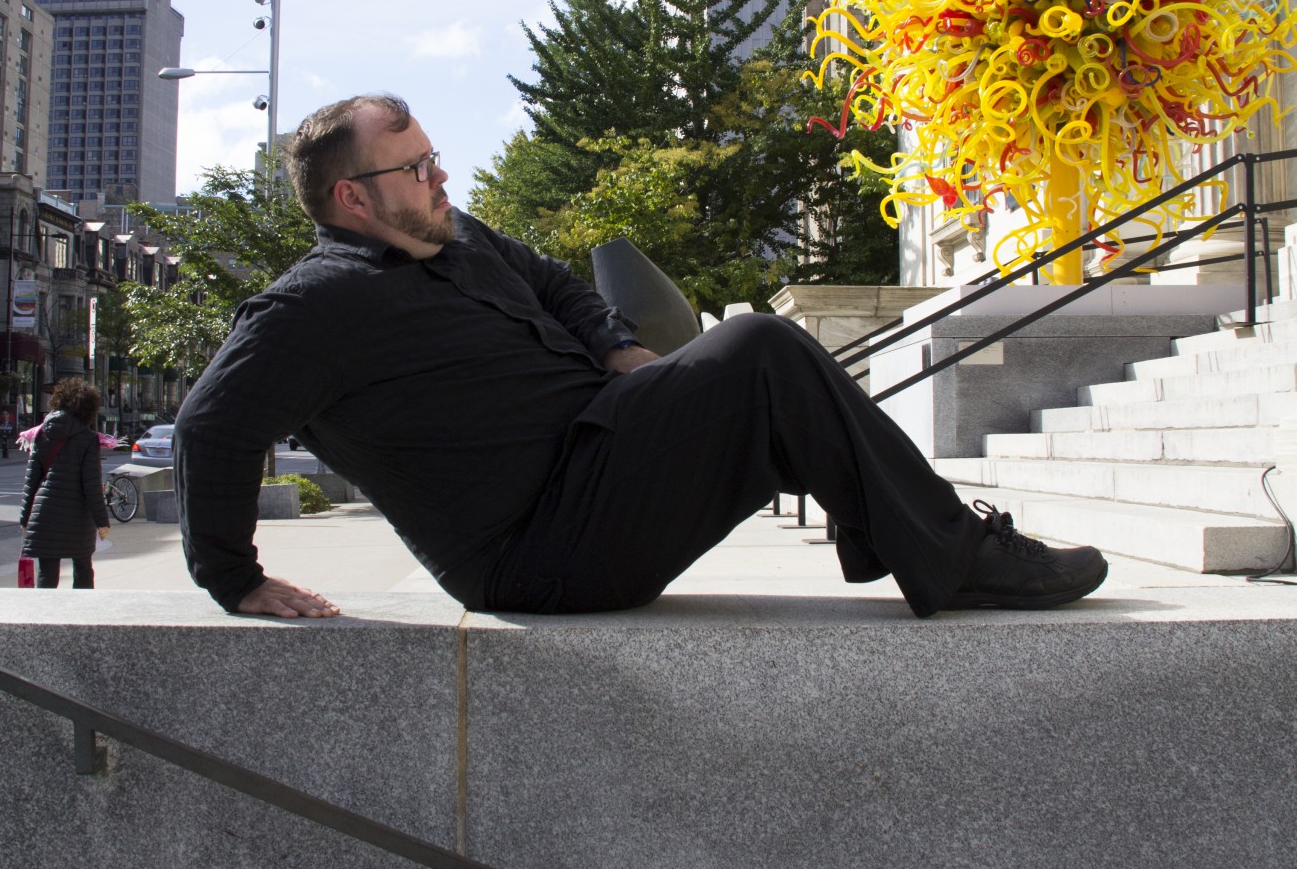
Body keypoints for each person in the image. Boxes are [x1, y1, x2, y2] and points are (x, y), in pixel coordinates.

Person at [174, 94, 1108, 623]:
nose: (440, 178)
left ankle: (935, 545)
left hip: (605, 462)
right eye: (414, 169)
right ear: (352, 197)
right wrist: (235, 578)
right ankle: (955, 556)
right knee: (762, 348)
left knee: (762, 373)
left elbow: (565, 290)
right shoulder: (313, 305)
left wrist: (620, 349)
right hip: (538, 553)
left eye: (434, 157)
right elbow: (211, 427)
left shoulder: (462, 240)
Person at [19, 377, 111, 590]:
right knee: (83, 569)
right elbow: (91, 486)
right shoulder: (88, 439)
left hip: (44, 516)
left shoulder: (40, 434)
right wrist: (102, 522)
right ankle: (80, 617)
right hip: (77, 517)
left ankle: (45, 620)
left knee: (47, 574)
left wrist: (25, 517)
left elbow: (31, 480)